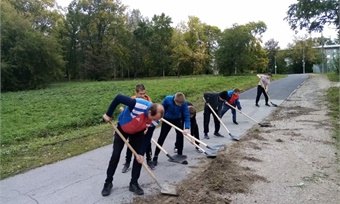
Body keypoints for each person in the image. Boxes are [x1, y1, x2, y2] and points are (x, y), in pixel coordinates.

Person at [101, 94, 164, 196]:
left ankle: (133, 183)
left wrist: (141, 153)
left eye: (155, 120)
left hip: (138, 132)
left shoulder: (156, 119)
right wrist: (108, 114)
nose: (153, 121)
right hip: (122, 129)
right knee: (115, 155)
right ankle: (108, 183)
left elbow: (148, 137)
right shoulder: (138, 104)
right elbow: (118, 98)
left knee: (138, 157)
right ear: (149, 112)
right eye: (152, 118)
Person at [122, 84, 155, 173]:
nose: (142, 96)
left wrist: (147, 127)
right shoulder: (132, 100)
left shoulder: (148, 100)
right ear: (136, 92)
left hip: (144, 126)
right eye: (140, 94)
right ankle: (127, 162)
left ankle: (149, 160)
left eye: (144, 93)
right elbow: (126, 114)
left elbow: (151, 115)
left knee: (147, 143)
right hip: (134, 126)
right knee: (131, 145)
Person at [152, 92, 191, 166]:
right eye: (178, 104)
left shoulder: (184, 103)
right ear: (175, 100)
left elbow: (186, 115)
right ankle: (155, 156)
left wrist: (187, 127)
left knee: (180, 136)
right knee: (162, 137)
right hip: (167, 119)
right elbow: (161, 109)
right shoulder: (167, 99)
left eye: (181, 104)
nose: (180, 105)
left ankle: (180, 154)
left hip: (177, 119)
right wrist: (160, 118)